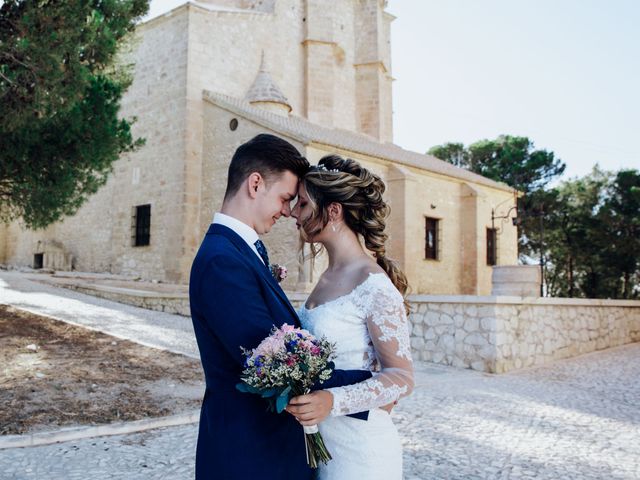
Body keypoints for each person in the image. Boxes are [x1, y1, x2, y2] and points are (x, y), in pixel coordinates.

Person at [189, 134, 373, 480]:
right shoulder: (222, 260)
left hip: (264, 453)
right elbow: (271, 362)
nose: (290, 212)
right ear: (255, 184)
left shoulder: (238, 251)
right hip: (252, 458)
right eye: (286, 198)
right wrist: (371, 386)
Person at [286, 154, 415, 480]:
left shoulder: (373, 284)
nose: (293, 213)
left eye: (302, 204)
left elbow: (401, 377)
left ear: (333, 211)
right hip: (322, 445)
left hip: (362, 453)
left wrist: (332, 399)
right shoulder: (326, 277)